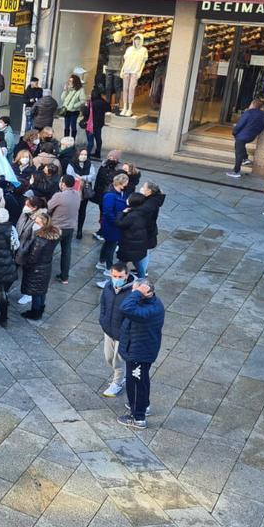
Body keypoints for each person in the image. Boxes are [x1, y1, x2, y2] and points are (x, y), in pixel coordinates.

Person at [117, 281, 165, 430]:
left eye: (135, 291)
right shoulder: (149, 304)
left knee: (136, 383)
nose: (132, 293)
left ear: (145, 292)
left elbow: (125, 308)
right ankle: (143, 406)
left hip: (139, 352)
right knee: (141, 380)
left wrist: (137, 292)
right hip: (138, 348)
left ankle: (138, 417)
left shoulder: (151, 309)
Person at [98, 263, 134, 397]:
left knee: (117, 361)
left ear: (126, 276)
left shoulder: (132, 293)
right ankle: (121, 376)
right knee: (108, 357)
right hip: (108, 330)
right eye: (114, 276)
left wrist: (126, 331)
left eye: (120, 276)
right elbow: (103, 304)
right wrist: (103, 320)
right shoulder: (108, 286)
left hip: (122, 334)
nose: (117, 278)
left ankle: (117, 383)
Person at [19, 210, 61, 320]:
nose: (35, 224)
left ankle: (35, 312)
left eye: (37, 223)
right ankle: (40, 308)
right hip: (46, 266)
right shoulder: (53, 236)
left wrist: (26, 264)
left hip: (36, 268)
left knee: (35, 291)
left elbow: (33, 256)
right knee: (42, 290)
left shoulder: (39, 239)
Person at [97, 173, 129, 283]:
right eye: (125, 183)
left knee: (108, 243)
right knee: (111, 246)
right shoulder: (110, 195)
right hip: (112, 225)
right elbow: (108, 212)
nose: (127, 185)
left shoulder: (121, 193)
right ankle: (108, 267)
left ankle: (101, 262)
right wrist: (117, 221)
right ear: (120, 183)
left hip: (115, 224)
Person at [49, 175, 80, 284]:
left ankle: (46, 274)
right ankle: (64, 277)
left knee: (48, 251)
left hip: (56, 228)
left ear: (63, 184)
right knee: (66, 252)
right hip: (70, 227)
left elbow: (48, 207)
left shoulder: (59, 196)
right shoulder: (77, 194)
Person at [228, 99, 264, 177]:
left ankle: (236, 172)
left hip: (242, 135)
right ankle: (245, 158)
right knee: (240, 145)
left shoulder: (248, 112)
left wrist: (234, 132)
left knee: (238, 153)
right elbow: (262, 127)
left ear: (252, 104)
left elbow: (240, 124)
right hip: (252, 135)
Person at [60, 75, 86, 139]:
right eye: (69, 80)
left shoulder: (80, 90)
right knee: (66, 126)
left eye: (71, 81)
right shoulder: (68, 89)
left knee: (73, 126)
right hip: (66, 110)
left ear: (75, 81)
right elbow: (62, 98)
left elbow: (83, 100)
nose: (70, 82)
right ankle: (66, 140)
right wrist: (65, 90)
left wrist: (74, 106)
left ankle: (72, 140)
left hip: (74, 111)